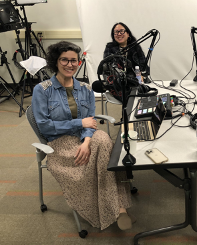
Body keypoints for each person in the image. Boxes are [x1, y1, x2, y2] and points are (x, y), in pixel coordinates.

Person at [31, 41, 134, 230]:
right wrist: (79, 123)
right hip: (60, 143)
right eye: (65, 60)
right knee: (104, 153)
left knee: (103, 140)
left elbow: (91, 122)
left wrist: (87, 141)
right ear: (56, 61)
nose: (70, 64)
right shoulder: (42, 90)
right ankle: (116, 208)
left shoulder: (86, 89)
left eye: (74, 61)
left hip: (83, 137)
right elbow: (45, 127)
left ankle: (117, 208)